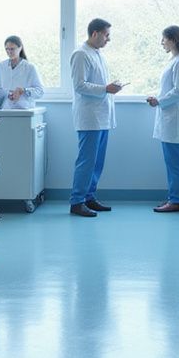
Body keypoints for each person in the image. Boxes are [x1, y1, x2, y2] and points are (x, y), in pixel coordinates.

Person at [69, 18, 123, 217]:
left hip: (101, 117)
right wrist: (105, 88)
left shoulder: (97, 54)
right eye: (106, 35)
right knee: (86, 161)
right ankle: (77, 201)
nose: (108, 39)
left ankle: (89, 197)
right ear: (95, 34)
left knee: (97, 162)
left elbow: (96, 83)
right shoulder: (81, 54)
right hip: (89, 117)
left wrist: (109, 86)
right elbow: (79, 85)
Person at [146, 25, 179, 213]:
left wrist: (158, 101)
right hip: (175, 118)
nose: (162, 43)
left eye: (164, 39)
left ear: (173, 40)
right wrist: (159, 99)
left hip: (175, 119)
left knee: (175, 162)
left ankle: (175, 200)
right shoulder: (177, 61)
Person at [0, 35, 44, 110]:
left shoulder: (29, 67)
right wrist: (7, 94)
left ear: (20, 48)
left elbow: (40, 91)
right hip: (5, 110)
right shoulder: (0, 67)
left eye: (12, 49)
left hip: (24, 110)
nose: (9, 52)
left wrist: (23, 90)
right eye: (7, 49)